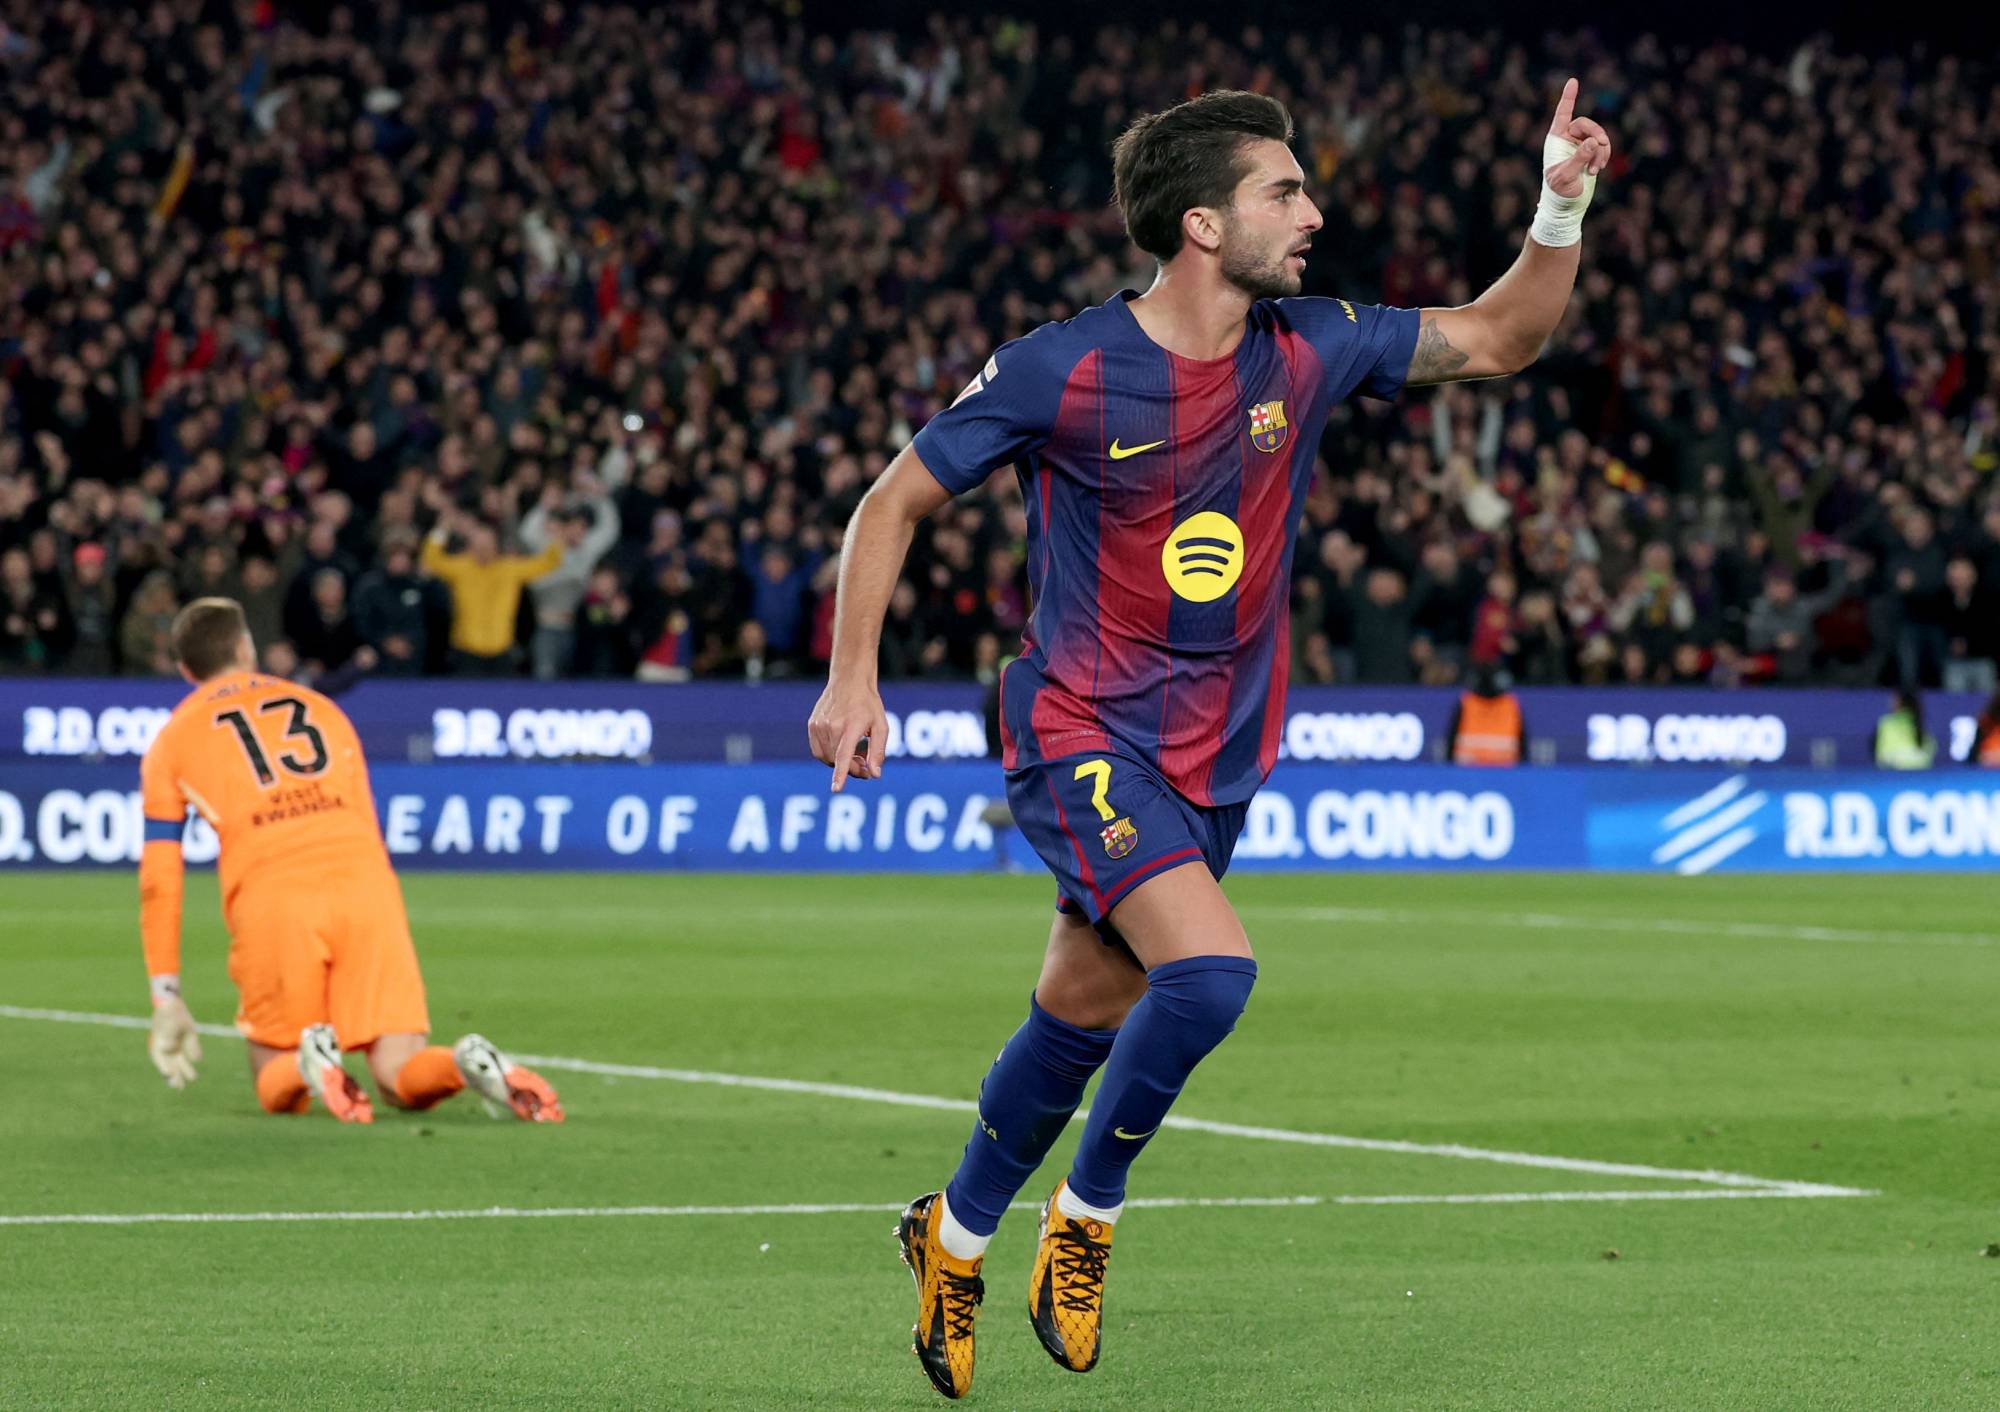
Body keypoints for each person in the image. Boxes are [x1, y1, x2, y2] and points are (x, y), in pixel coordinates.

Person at [808, 82, 1608, 1400]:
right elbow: (889, 504)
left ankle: (948, 1235)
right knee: (1211, 976)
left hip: (1215, 759)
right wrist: (854, 680)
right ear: (1200, 223)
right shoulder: (1059, 367)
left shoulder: (1311, 344)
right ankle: (1085, 1218)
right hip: (1076, 727)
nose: (1313, 213)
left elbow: (1501, 335)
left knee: (1080, 1008)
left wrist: (1558, 204)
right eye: (1282, 192)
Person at [138, 597, 564, 1125]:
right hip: (364, 885)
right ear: (246, 647)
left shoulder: (172, 742)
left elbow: (160, 879)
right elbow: (366, 819)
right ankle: (463, 1063)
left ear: (185, 670)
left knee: (273, 1077)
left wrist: (167, 995)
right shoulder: (322, 709)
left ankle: (308, 1065)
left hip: (275, 895)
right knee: (399, 1071)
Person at [420, 504, 564, 675]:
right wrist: (442, 529)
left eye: (487, 545)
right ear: (471, 546)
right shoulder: (460, 567)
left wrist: (556, 536)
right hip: (466, 652)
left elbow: (548, 562)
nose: (483, 549)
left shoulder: (510, 568)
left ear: (495, 545)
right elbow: (432, 559)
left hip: (501, 652)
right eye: (479, 545)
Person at [1445, 664, 1528, 765]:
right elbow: (1451, 740)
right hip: (1468, 769)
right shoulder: (1466, 703)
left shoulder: (1510, 704)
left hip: (1504, 769)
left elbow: (1523, 743)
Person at [1871, 688, 1936, 770]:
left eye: (1895, 701)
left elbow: (1880, 756)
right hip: (1916, 765)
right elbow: (1929, 751)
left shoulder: (1886, 722)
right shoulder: (1918, 720)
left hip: (1896, 766)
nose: (1891, 703)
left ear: (1901, 703)